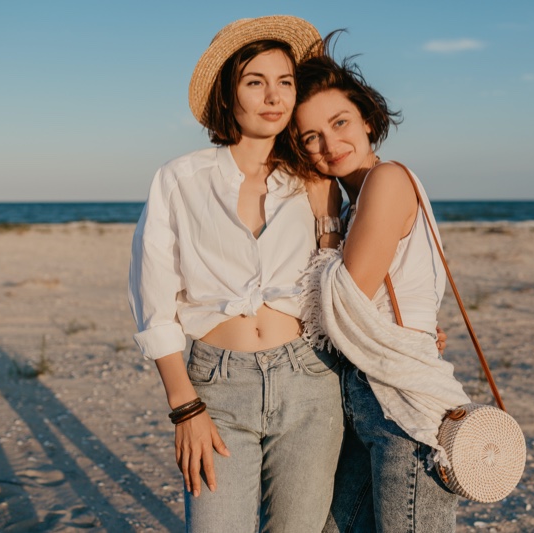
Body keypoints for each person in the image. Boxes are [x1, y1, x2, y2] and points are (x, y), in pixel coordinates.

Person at [128, 16, 347, 532]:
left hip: (310, 382)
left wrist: (328, 218)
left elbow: (336, 283)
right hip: (217, 387)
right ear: (230, 95)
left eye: (285, 82)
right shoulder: (179, 180)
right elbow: (154, 298)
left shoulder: (313, 179)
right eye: (255, 82)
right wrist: (184, 407)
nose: (273, 96)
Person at [290, 37, 472, 532]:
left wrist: (325, 224)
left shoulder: (387, 179)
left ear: (367, 119)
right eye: (310, 137)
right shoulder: (356, 202)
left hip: (404, 406)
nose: (329, 144)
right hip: (368, 397)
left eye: (339, 122)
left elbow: (344, 298)